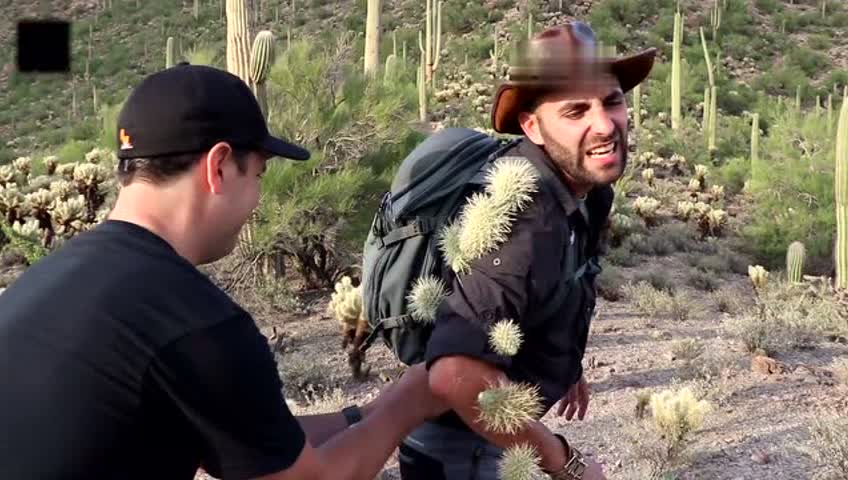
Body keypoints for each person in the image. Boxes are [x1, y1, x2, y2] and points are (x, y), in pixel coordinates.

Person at [0, 62, 448, 480]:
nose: (257, 197)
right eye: (257, 174)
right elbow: (312, 477)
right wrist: (410, 400)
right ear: (217, 167)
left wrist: (362, 416)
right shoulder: (191, 320)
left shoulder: (54, 280)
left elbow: (260, 444)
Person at [397, 22, 657, 480]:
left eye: (612, 101)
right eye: (576, 111)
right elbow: (456, 375)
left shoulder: (587, 188)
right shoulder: (523, 218)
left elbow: (564, 279)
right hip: (459, 442)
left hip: (492, 423)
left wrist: (563, 358)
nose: (604, 124)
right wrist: (566, 463)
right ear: (532, 126)